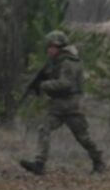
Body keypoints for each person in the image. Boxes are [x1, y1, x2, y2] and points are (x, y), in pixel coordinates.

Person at [19, 31, 105, 176]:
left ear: (59, 47)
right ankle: (39, 164)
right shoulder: (56, 62)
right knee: (43, 129)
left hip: (71, 106)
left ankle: (99, 161)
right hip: (58, 106)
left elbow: (66, 84)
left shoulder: (68, 62)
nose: (48, 50)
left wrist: (44, 85)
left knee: (83, 137)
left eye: (51, 47)